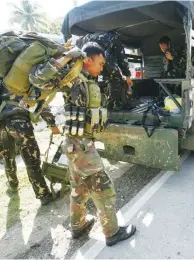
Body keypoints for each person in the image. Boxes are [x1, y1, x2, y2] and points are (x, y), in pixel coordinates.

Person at [29, 42, 136, 246]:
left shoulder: (86, 80)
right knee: (103, 188)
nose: (102, 67)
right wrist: (68, 56)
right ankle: (112, 232)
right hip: (81, 147)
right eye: (100, 62)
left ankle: (78, 226)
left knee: (79, 189)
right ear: (87, 60)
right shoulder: (73, 79)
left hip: (76, 146)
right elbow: (38, 78)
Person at [0, 71, 61, 205]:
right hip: (20, 124)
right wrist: (52, 123)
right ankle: (43, 195)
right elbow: (38, 102)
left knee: (8, 155)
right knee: (32, 160)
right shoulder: (23, 78)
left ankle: (12, 184)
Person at [76, 31, 133, 110]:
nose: (101, 68)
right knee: (115, 80)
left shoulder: (85, 39)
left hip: (99, 60)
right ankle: (111, 105)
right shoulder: (112, 38)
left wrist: (127, 75)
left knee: (91, 80)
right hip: (99, 61)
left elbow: (121, 57)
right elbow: (121, 58)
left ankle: (106, 104)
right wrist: (127, 76)